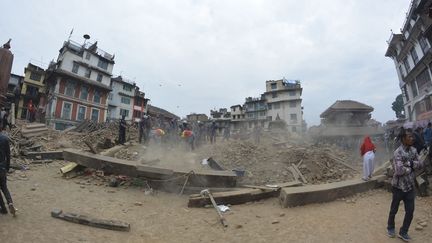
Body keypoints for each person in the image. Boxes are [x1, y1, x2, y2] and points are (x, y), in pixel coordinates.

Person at [387, 128, 424, 241]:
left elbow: (421, 164)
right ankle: (390, 227)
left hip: (409, 186)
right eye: (410, 137)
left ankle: (403, 231)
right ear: (403, 139)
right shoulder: (397, 152)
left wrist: (409, 163)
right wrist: (411, 168)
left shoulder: (413, 150)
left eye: (412, 137)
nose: (412, 138)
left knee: (410, 211)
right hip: (398, 187)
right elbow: (398, 171)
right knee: (394, 209)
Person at [0, 127, 16, 216]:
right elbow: (8, 155)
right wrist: (7, 167)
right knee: (4, 187)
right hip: (2, 167)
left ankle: (3, 208)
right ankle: (10, 203)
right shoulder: (5, 139)